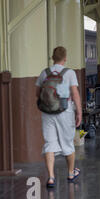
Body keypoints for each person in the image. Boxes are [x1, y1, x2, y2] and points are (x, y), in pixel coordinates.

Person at [35, 46, 82, 188]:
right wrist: (79, 112)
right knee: (68, 143)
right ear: (65, 58)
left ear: (52, 57)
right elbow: (74, 94)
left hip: (47, 112)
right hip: (65, 111)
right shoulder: (69, 73)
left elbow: (38, 93)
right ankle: (70, 173)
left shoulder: (45, 73)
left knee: (49, 144)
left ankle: (51, 177)